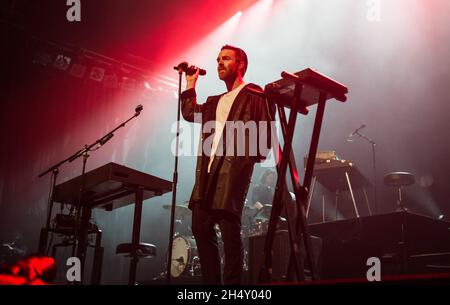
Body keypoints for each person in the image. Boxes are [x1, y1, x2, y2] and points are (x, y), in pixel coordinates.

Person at [180, 45, 274, 285]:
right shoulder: (214, 102)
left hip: (232, 173)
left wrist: (242, 163)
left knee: (229, 231)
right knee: (200, 227)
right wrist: (191, 83)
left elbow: (264, 141)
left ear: (240, 64)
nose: (220, 63)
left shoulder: (255, 94)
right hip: (207, 174)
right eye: (218, 59)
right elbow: (190, 113)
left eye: (226, 59)